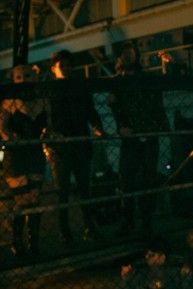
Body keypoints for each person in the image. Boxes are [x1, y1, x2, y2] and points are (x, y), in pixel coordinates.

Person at [108, 41, 169, 236]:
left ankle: (145, 221)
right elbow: (115, 107)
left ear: (136, 55)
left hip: (147, 134)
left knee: (147, 180)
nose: (128, 56)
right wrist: (121, 126)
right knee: (127, 181)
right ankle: (129, 221)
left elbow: (157, 101)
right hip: (132, 137)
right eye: (125, 53)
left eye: (130, 53)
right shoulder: (118, 81)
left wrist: (160, 125)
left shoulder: (146, 78)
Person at [48, 49, 105, 245]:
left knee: (79, 190)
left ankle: (79, 229)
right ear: (54, 68)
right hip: (65, 146)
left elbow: (90, 111)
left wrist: (97, 126)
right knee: (65, 191)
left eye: (67, 65)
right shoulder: (53, 90)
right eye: (61, 65)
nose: (65, 68)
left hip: (74, 144)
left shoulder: (58, 89)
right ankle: (70, 231)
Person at [0, 64, 50, 256]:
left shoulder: (43, 100)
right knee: (21, 200)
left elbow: (49, 126)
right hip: (16, 155)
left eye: (27, 76)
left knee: (34, 199)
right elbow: (2, 128)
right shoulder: (8, 102)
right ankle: (17, 242)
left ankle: (33, 242)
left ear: (35, 77)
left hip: (35, 153)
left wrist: (50, 135)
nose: (23, 80)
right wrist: (14, 140)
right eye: (19, 77)